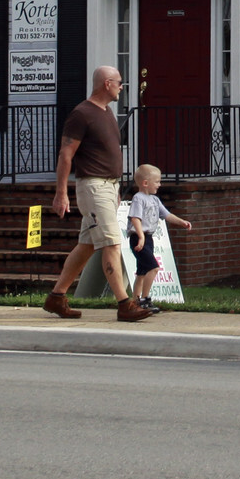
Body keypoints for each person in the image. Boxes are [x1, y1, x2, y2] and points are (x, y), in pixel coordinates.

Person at [42, 66, 154, 323]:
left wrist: (115, 189)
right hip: (93, 186)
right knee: (112, 243)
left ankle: (56, 297)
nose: (121, 87)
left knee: (87, 245)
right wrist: (61, 192)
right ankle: (125, 304)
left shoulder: (107, 113)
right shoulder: (82, 114)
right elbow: (66, 154)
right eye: (119, 82)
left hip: (108, 187)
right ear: (106, 83)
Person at [126, 163, 193, 309]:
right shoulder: (139, 198)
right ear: (145, 183)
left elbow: (167, 215)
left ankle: (135, 301)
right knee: (154, 267)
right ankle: (145, 299)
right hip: (138, 238)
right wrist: (141, 237)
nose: (159, 184)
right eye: (156, 182)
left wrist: (182, 222)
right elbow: (135, 218)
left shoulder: (155, 200)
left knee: (142, 271)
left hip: (148, 238)